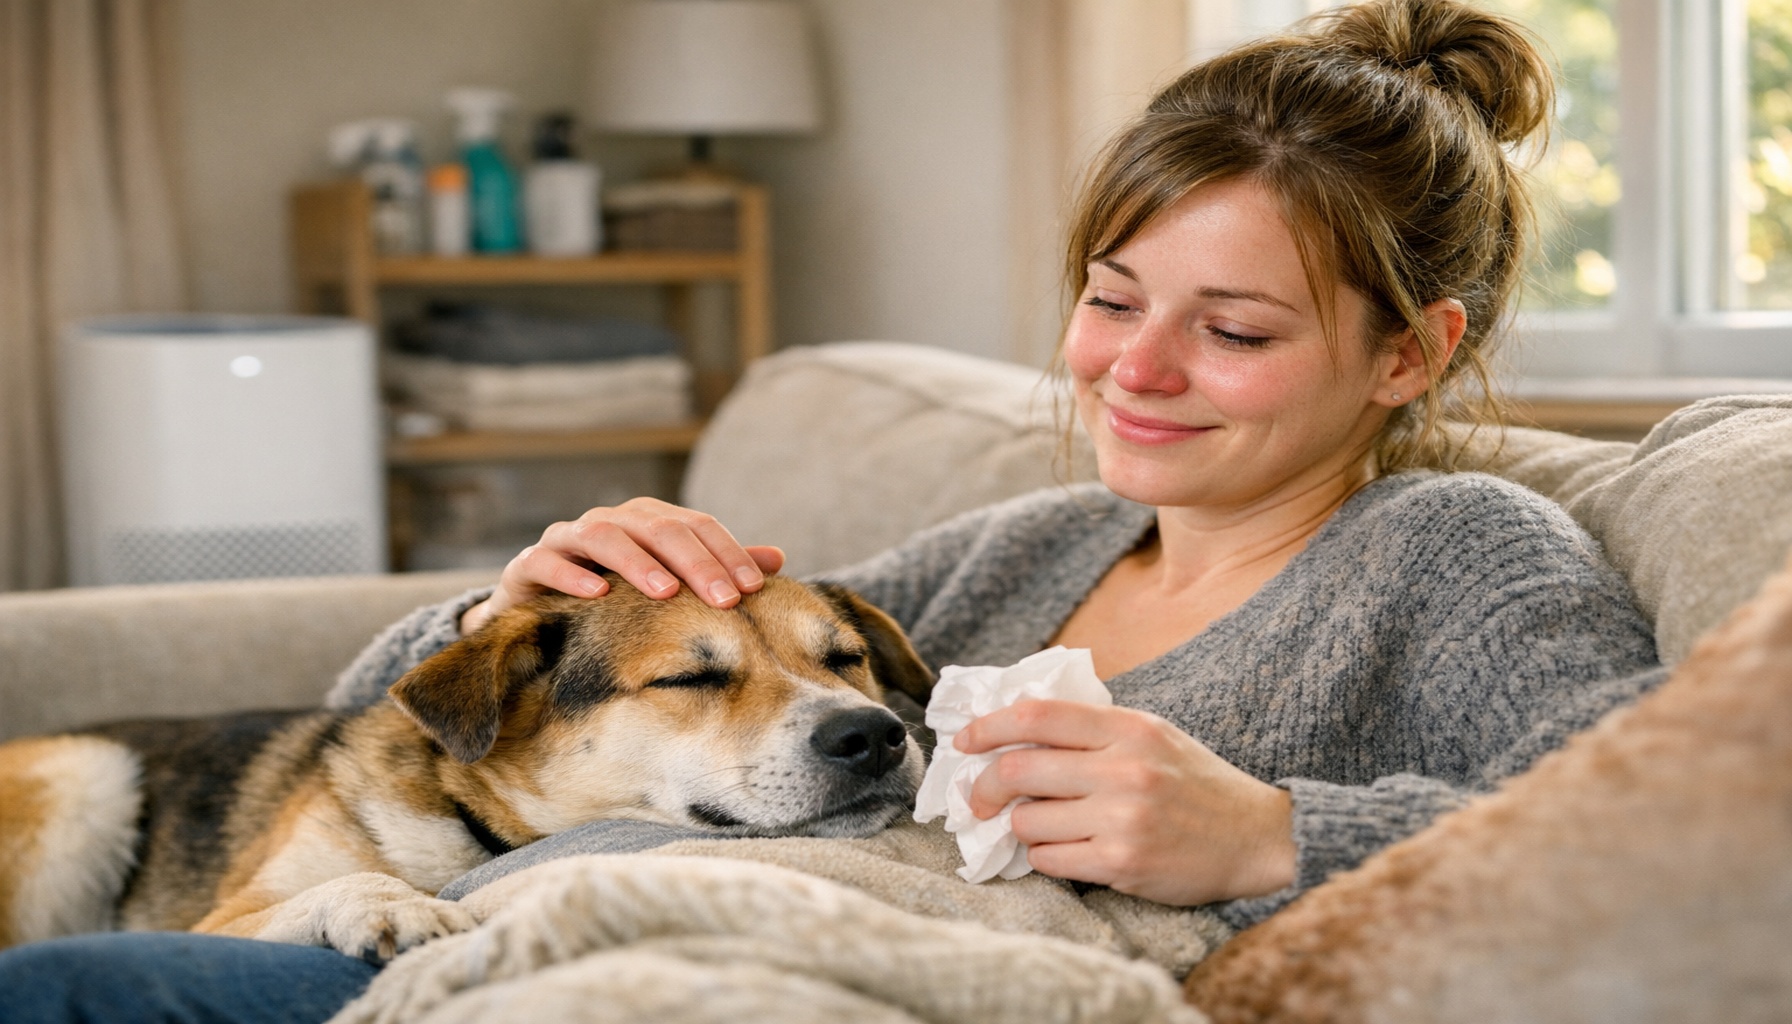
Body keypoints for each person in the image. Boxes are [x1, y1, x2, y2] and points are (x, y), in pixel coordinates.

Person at [0, 2, 1667, 1021]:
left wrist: (1272, 834)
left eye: (1232, 331)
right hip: (507, 949)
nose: (1135, 371)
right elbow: (405, 736)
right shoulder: (1016, 550)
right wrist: (514, 610)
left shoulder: (1460, 555)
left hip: (697, 986)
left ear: (1409, 353)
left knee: (74, 993)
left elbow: (1670, 848)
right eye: (1110, 301)